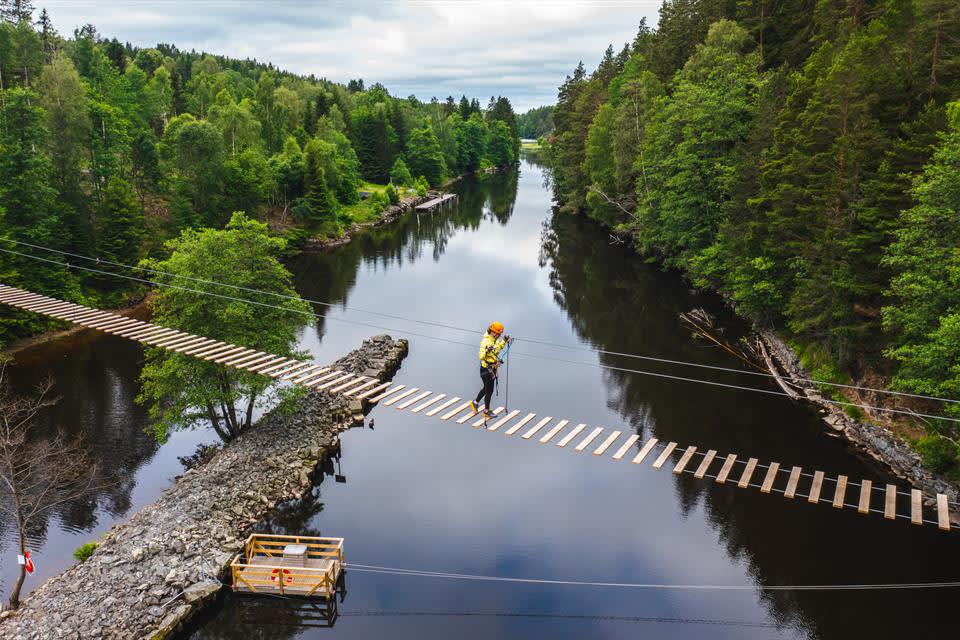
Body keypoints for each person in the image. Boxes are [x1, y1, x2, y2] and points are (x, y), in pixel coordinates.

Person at [470, 322, 510, 418]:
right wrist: (487, 350)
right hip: (486, 370)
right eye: (498, 334)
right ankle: (486, 411)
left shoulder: (494, 340)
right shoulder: (486, 341)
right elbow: (481, 356)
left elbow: (498, 348)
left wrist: (504, 341)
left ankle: (475, 402)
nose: (499, 336)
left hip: (492, 369)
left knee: (486, 388)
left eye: (500, 335)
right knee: (489, 390)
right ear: (493, 332)